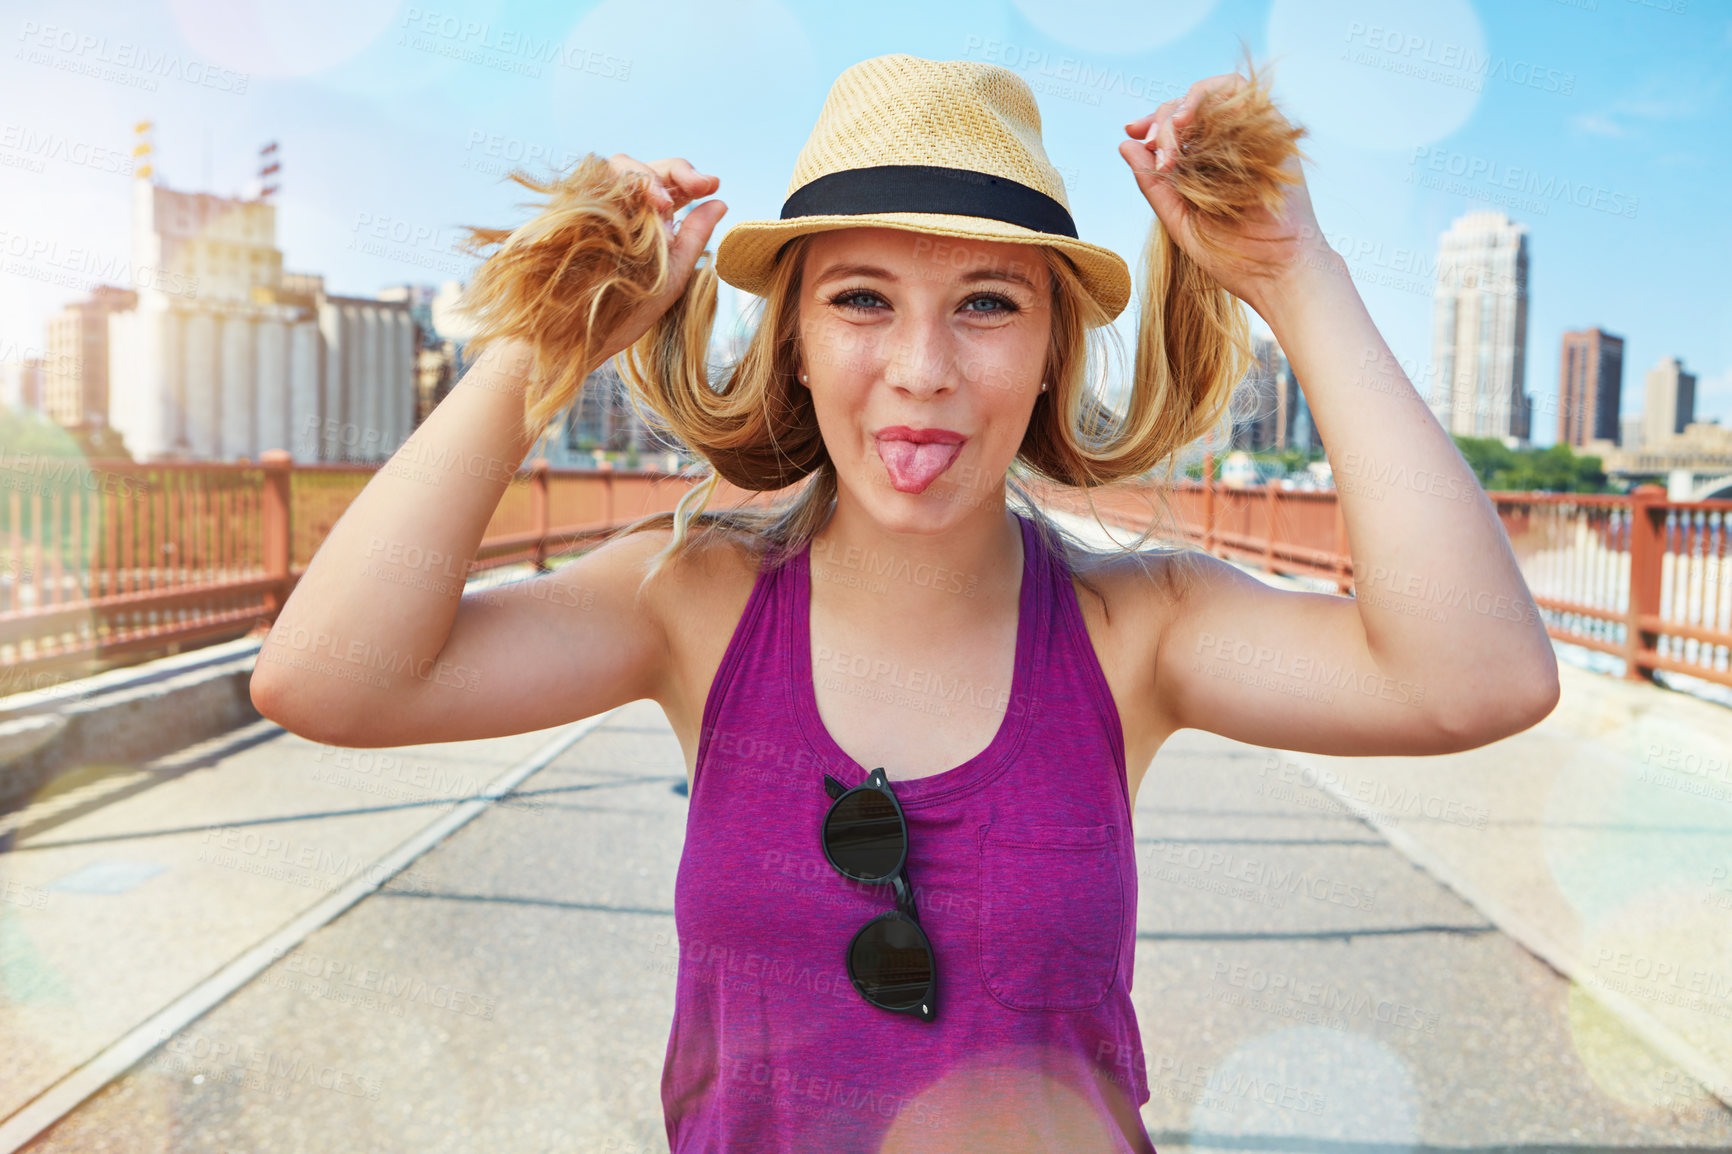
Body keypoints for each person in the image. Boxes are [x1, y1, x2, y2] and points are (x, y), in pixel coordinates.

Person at [251, 52, 1560, 1154]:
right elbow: (326, 679)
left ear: (1050, 353)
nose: (921, 369)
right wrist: (553, 329)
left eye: (986, 305)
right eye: (862, 300)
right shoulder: (695, 600)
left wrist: (1294, 271)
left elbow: (1479, 677)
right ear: (797, 341)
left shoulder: (1135, 632)